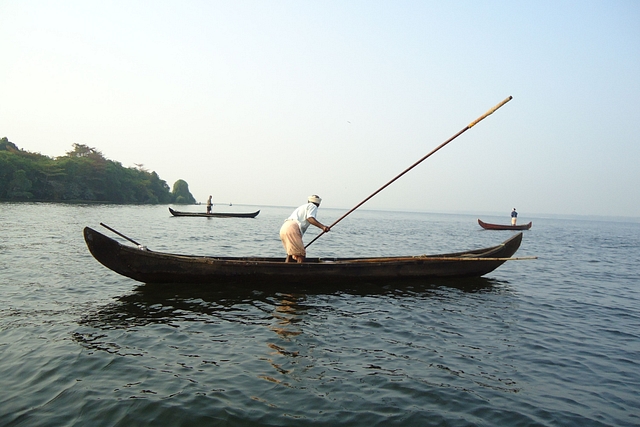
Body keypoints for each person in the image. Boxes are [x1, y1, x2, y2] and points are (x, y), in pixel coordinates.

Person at [279, 195, 330, 263]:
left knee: (291, 253)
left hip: (285, 227)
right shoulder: (312, 206)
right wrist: (323, 227)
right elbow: (310, 218)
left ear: (308, 201)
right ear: (318, 204)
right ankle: (299, 272)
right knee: (301, 254)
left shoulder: (303, 207)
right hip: (292, 228)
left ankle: (285, 270)